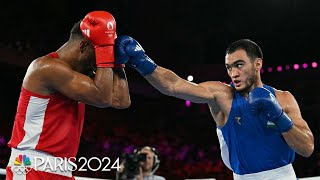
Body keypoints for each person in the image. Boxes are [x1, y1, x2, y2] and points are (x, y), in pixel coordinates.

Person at [114, 36, 314, 179]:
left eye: (239, 65)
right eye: (229, 67)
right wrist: (141, 61)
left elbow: (307, 148)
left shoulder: (284, 98)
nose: (233, 73)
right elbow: (174, 85)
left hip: (283, 175)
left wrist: (278, 116)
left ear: (257, 64)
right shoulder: (222, 95)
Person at [5, 11, 131, 180]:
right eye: (99, 54)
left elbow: (120, 100)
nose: (99, 64)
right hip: (30, 167)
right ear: (84, 46)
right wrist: (105, 54)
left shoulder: (77, 78)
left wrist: (118, 64)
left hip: (63, 169)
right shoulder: (46, 67)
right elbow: (102, 98)